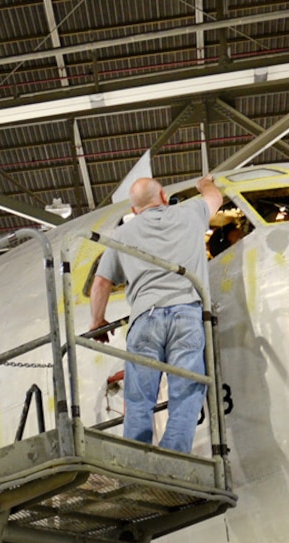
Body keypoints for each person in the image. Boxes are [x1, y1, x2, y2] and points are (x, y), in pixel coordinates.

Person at [87, 174, 226, 453]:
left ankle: (138, 458)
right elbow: (216, 199)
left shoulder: (123, 234)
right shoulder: (188, 214)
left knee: (139, 398)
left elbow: (101, 283)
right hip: (187, 314)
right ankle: (174, 457)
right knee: (186, 393)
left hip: (144, 320)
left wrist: (97, 322)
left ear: (133, 210)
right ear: (164, 197)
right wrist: (204, 184)